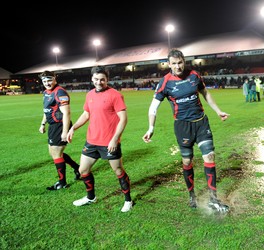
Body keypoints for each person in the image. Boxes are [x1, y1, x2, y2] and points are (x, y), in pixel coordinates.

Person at [142, 49, 230, 213]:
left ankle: (213, 199)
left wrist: (218, 111)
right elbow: (153, 108)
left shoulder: (194, 75)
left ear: (184, 61)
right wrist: (151, 128)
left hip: (201, 123)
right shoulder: (165, 82)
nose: (177, 66)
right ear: (169, 64)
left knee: (209, 157)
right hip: (183, 127)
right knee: (187, 162)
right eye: (174, 63)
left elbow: (205, 93)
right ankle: (192, 195)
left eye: (180, 62)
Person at [67, 66, 133, 213]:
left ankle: (128, 200)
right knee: (83, 169)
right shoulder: (89, 94)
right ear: (92, 79)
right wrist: (73, 128)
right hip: (92, 141)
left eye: (102, 79)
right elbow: (86, 114)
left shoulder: (115, 95)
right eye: (96, 79)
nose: (99, 82)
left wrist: (115, 139)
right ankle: (91, 198)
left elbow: (123, 119)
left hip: (109, 142)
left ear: (107, 80)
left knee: (118, 171)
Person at [38, 70, 80, 191]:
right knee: (54, 153)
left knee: (56, 154)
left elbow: (66, 113)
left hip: (60, 125)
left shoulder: (60, 92)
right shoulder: (46, 92)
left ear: (55, 79)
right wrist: (42, 124)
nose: (47, 83)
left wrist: (65, 132)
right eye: (44, 81)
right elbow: (47, 110)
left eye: (49, 80)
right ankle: (78, 168)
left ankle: (62, 182)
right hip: (52, 126)